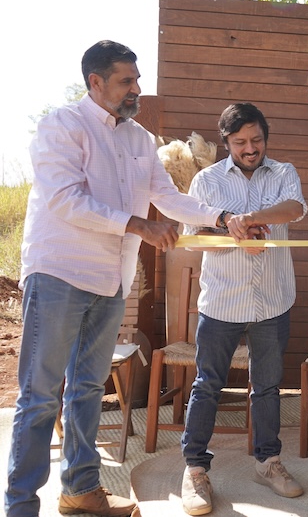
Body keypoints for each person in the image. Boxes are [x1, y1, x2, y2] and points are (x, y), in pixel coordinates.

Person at [5, 40, 227, 517]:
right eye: (127, 81)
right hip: (59, 274)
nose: (137, 89)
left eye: (137, 79)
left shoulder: (140, 140)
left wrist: (224, 217)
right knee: (41, 395)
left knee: (87, 388)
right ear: (96, 82)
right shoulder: (61, 126)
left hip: (111, 281)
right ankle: (20, 505)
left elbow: (169, 197)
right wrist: (138, 225)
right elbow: (65, 199)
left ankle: (81, 490)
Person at [179, 103, 308, 516]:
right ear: (226, 142)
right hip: (221, 302)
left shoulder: (284, 171)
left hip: (273, 301)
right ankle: (196, 469)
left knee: (268, 387)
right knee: (207, 386)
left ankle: (267, 462)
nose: (250, 149)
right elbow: (192, 236)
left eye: (256, 140)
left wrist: (250, 218)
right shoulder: (206, 180)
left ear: (265, 136)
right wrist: (230, 229)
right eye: (240, 143)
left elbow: (294, 209)